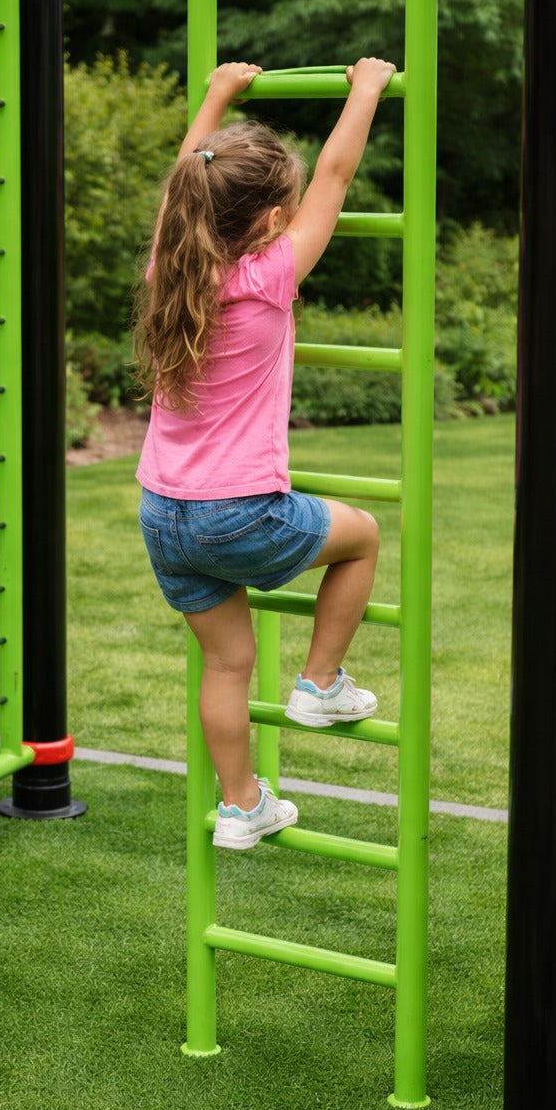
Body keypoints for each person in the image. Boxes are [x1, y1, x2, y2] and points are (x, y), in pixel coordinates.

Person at [133, 57, 395, 851]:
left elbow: (185, 184)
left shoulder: (169, 268)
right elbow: (337, 176)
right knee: (364, 537)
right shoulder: (270, 274)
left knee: (227, 666)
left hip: (162, 514)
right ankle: (320, 681)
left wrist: (216, 94)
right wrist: (367, 90)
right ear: (275, 217)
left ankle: (242, 806)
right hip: (237, 511)